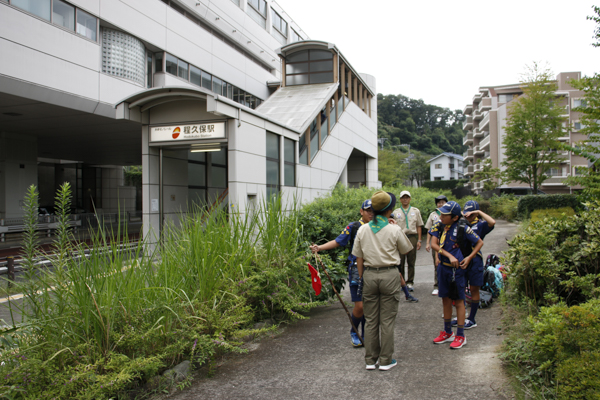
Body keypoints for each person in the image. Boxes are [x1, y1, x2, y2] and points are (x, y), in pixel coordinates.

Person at [310, 200, 418, 348]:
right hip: (357, 270)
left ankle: (366, 335)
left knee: (371, 307)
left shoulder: (381, 225)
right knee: (360, 306)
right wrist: (319, 248)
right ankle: (354, 332)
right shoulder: (355, 227)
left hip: (375, 269)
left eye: (373, 210)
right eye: (367, 210)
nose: (370, 213)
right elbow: (338, 241)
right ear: (361, 211)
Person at [353, 191, 413, 370]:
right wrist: (396, 228)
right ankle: (386, 360)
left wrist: (363, 276)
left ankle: (370, 360)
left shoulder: (363, 229)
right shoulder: (394, 228)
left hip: (369, 275)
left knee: (371, 320)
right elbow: (405, 250)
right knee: (387, 320)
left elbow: (358, 257)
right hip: (389, 275)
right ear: (389, 210)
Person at [429, 201, 483, 350]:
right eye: (441, 213)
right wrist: (446, 255)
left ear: (454, 217)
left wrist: (469, 257)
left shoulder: (462, 228)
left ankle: (460, 335)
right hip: (443, 268)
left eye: (445, 214)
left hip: (457, 270)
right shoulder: (439, 225)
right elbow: (434, 244)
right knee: (445, 299)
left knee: (459, 301)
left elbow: (479, 242)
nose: (441, 216)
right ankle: (447, 332)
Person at [451, 200, 496, 329]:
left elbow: (492, 222)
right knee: (460, 288)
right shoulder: (460, 223)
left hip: (475, 259)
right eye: (466, 213)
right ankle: (461, 316)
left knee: (474, 288)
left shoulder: (480, 225)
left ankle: (471, 319)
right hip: (461, 259)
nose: (468, 216)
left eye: (471, 214)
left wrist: (479, 212)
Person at [392, 190, 423, 292]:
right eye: (403, 197)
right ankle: (402, 282)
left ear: (410, 199)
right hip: (400, 237)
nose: (405, 199)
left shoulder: (415, 211)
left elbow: (419, 225)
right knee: (400, 261)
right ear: (400, 199)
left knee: (411, 261)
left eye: (407, 197)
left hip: (412, 237)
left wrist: (419, 240)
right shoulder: (396, 212)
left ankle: (410, 282)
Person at [425, 195, 448, 296]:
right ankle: (437, 285)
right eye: (439, 202)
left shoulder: (449, 213)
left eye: (443, 202)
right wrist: (427, 243)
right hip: (436, 244)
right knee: (437, 264)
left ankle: (447, 285)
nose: (440, 204)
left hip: (448, 243)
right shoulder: (433, 215)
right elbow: (430, 230)